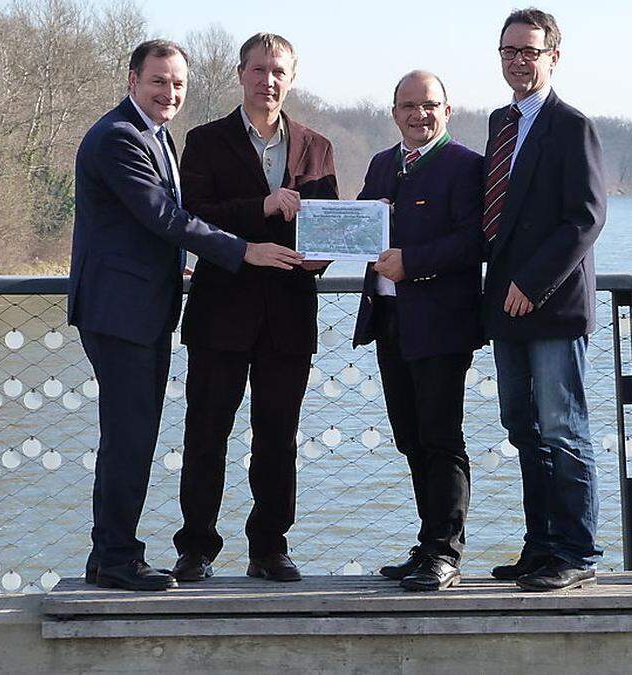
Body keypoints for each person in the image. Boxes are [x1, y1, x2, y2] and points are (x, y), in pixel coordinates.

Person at [68, 39, 304, 592]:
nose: (169, 92)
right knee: (129, 436)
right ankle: (119, 559)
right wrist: (242, 250)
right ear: (132, 81)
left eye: (177, 84)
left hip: (141, 308)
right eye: (158, 82)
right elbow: (164, 217)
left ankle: (109, 554)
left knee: (132, 435)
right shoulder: (119, 138)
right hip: (120, 312)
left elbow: (152, 228)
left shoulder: (158, 136)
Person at [171, 33, 337, 583]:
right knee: (206, 433)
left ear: (292, 78)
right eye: (259, 69)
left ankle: (269, 547)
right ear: (240, 73)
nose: (269, 80)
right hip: (221, 313)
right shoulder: (204, 141)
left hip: (289, 316)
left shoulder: (317, 146)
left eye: (279, 71)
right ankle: (196, 547)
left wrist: (326, 256)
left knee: (277, 438)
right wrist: (261, 206)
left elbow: (327, 227)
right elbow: (193, 217)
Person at [482, 8, 608, 592]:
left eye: (530, 51)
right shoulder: (499, 123)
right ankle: (540, 547)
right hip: (504, 307)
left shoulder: (571, 125)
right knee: (521, 428)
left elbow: (585, 218)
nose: (518, 61)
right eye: (509, 51)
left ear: (553, 56)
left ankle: (577, 552)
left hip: (551, 304)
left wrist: (531, 285)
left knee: (563, 429)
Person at [351, 71, 484, 591]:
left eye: (428, 105)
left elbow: (476, 241)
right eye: (408, 106)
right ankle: (427, 543)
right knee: (410, 437)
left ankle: (446, 551)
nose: (418, 114)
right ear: (394, 112)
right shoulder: (383, 164)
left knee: (441, 438)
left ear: (446, 111)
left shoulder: (467, 166)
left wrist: (416, 263)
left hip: (441, 325)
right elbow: (357, 225)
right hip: (388, 321)